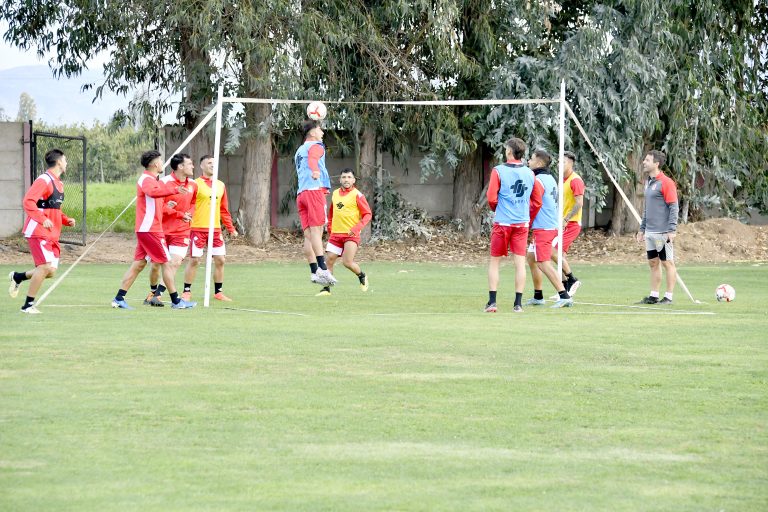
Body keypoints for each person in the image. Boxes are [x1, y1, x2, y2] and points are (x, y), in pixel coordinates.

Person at [111, 150, 195, 310]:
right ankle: (176, 302)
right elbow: (153, 192)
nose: (162, 163)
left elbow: (158, 203)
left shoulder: (154, 180)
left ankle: (118, 298)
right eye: (161, 160)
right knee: (167, 263)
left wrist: (176, 213)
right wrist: (174, 190)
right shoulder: (147, 179)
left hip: (147, 229)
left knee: (139, 264)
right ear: (155, 164)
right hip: (150, 230)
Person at [7, 149, 76, 314]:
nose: (66, 163)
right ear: (59, 162)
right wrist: (41, 218)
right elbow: (28, 202)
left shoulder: (59, 183)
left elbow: (54, 209)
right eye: (65, 160)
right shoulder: (44, 180)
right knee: (44, 267)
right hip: (38, 230)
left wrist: (66, 220)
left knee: (50, 271)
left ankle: (18, 277)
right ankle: (27, 305)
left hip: (52, 233)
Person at [485, 137, 543, 313]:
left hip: (503, 222)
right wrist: (527, 215)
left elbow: (491, 198)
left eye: (505, 149)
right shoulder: (530, 173)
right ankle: (517, 304)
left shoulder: (498, 171)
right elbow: (537, 200)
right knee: (519, 262)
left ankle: (492, 303)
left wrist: (498, 209)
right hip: (521, 224)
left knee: (495, 262)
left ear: (509, 151)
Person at [143, 153, 198, 306]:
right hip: (161, 230)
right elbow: (159, 205)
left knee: (174, 262)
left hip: (182, 231)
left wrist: (189, 214)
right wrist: (173, 211)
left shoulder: (193, 185)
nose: (193, 166)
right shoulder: (164, 182)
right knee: (155, 265)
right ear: (180, 166)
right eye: (190, 164)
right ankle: (152, 292)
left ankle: (158, 294)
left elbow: (193, 203)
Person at [182, 154, 238, 302]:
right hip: (198, 228)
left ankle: (218, 292)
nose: (212, 166)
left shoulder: (220, 185)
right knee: (194, 260)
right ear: (201, 166)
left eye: (214, 163)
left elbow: (224, 209)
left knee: (220, 259)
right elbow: (188, 204)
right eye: (209, 163)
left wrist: (230, 228)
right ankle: (186, 291)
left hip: (216, 229)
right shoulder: (195, 184)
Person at [524, 149, 573, 308]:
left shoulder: (538, 180)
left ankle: (563, 295)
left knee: (543, 262)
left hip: (543, 227)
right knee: (532, 257)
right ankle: (538, 296)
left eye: (531, 159)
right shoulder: (551, 178)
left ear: (538, 163)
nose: (529, 162)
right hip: (550, 225)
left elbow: (535, 204)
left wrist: (527, 222)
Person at [316, 168, 372, 296]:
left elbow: (367, 214)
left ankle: (361, 275)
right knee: (329, 260)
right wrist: (330, 227)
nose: (346, 179)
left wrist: (356, 228)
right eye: (344, 177)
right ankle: (326, 289)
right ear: (340, 179)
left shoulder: (358, 195)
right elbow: (332, 213)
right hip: (336, 234)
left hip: (350, 235)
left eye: (349, 177)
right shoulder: (335, 193)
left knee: (347, 262)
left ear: (353, 180)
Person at [295, 119, 335, 287]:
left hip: (301, 193)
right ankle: (323, 269)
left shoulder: (299, 150)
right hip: (313, 191)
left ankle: (313, 272)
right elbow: (313, 159)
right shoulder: (316, 146)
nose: (323, 133)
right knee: (317, 231)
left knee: (309, 235)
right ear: (312, 132)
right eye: (320, 129)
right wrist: (316, 170)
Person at [636, 150, 678, 304]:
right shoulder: (648, 182)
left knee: (667, 263)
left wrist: (672, 230)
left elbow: (674, 207)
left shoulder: (666, 182)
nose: (644, 162)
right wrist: (642, 229)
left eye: (647, 160)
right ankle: (653, 296)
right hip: (650, 233)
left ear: (656, 163)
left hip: (662, 233)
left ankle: (668, 297)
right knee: (653, 263)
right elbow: (648, 208)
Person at [551, 150, 585, 296]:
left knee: (552, 251)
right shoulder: (562, 180)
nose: (560, 164)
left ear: (571, 163)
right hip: (561, 223)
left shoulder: (575, 180)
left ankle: (572, 279)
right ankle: (564, 290)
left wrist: (566, 219)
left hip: (571, 223)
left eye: (563, 162)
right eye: (559, 162)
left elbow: (579, 203)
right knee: (560, 257)